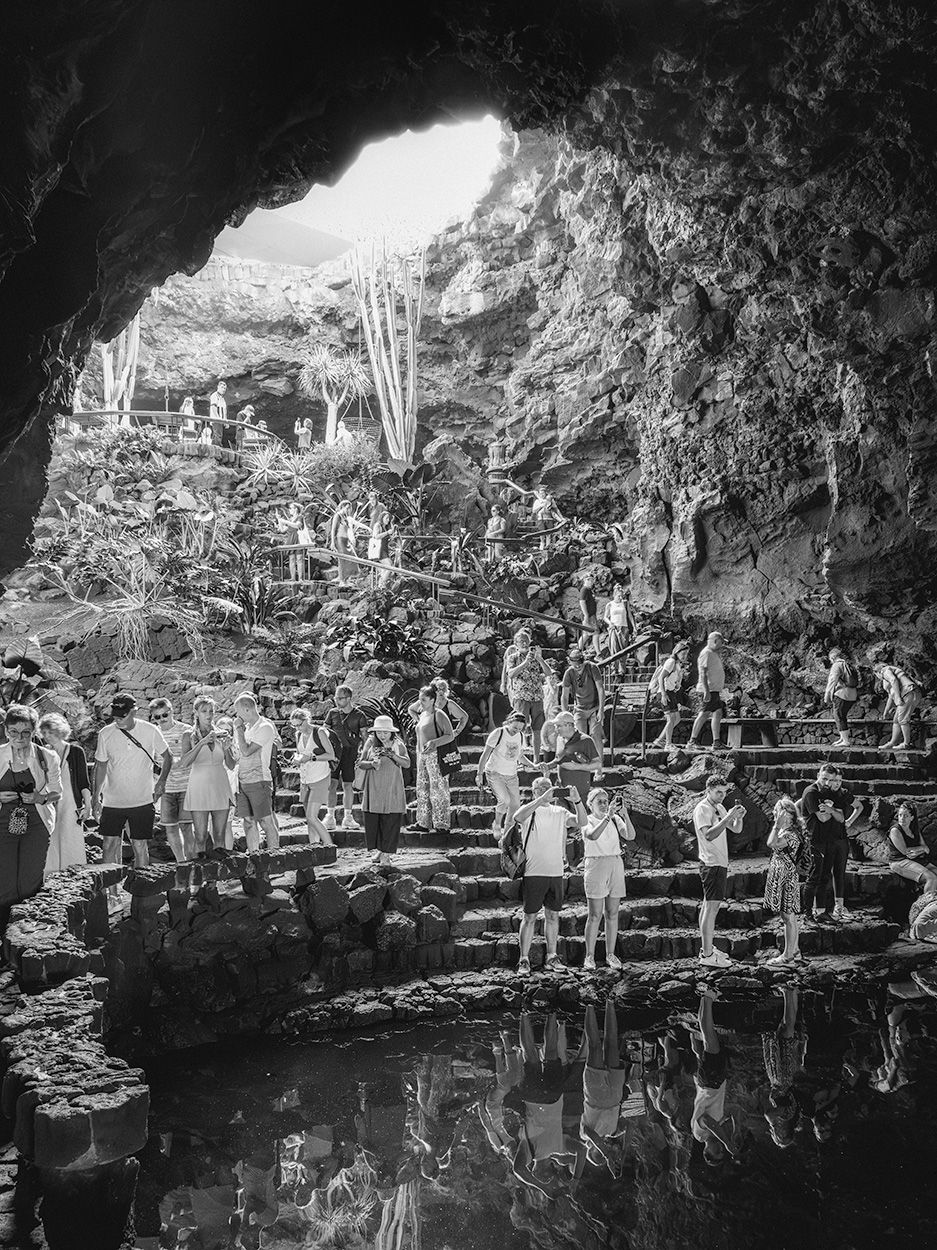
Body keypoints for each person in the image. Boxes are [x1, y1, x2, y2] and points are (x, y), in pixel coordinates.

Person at [94, 694, 171, 893]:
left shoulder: (150, 730)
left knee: (139, 846)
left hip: (142, 800)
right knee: (109, 844)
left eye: (122, 715)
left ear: (134, 711)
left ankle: (142, 892)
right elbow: (101, 766)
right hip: (112, 801)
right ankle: (111, 893)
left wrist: (161, 782)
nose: (117, 718)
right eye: (115, 714)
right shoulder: (105, 733)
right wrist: (96, 797)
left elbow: (167, 756)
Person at [512, 776, 585, 974]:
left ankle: (552, 957)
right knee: (530, 916)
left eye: (549, 787)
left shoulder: (560, 812)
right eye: (541, 788)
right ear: (534, 791)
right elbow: (516, 817)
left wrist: (577, 800)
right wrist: (541, 799)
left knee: (553, 915)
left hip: (556, 872)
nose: (546, 790)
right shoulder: (530, 810)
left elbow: (582, 821)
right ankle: (524, 959)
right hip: (534, 871)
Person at [0, 705, 61, 928]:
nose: (19, 737)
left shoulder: (47, 756)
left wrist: (38, 798)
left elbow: (57, 792)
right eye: (13, 731)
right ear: (6, 731)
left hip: (36, 824)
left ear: (33, 731)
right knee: (3, 881)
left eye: (25, 732)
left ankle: (26, 934)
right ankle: (3, 939)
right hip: (2, 824)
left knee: (30, 881)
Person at [800, 762, 863, 924]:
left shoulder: (827, 792)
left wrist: (831, 810)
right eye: (825, 778)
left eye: (832, 779)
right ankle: (807, 914)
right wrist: (833, 811)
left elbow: (840, 817)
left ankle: (821, 912)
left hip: (825, 840)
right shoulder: (811, 792)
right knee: (813, 877)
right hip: (813, 840)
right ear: (818, 776)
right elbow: (822, 818)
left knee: (824, 876)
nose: (828, 783)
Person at [693, 774, 745, 966]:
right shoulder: (703, 809)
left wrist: (737, 818)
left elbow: (736, 829)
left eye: (724, 792)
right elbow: (708, 834)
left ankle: (706, 948)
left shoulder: (720, 807)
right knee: (712, 907)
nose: (722, 796)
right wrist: (728, 817)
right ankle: (707, 955)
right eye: (718, 792)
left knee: (708, 906)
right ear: (708, 791)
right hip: (711, 863)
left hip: (719, 862)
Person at [582, 787, 636, 971]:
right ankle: (589, 956)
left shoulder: (614, 818)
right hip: (596, 864)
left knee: (612, 913)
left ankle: (610, 954)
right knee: (595, 914)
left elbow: (630, 835)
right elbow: (592, 835)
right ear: (591, 804)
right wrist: (608, 816)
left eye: (606, 801)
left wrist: (625, 814)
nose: (605, 804)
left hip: (615, 863)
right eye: (600, 801)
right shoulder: (587, 820)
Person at [180, 696, 236, 854]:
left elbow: (231, 765)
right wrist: (202, 742)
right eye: (204, 711)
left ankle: (215, 878)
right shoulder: (188, 735)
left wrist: (226, 749)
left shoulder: (222, 733)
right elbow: (184, 762)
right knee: (200, 836)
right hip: (199, 786)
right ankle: (199, 874)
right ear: (196, 712)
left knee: (219, 835)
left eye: (211, 711)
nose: (209, 714)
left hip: (220, 785)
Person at [688, 990, 738, 1166]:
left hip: (709, 1082)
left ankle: (708, 997)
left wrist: (727, 1142)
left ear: (706, 1151)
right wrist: (732, 1132)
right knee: (710, 1040)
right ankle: (705, 998)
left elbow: (707, 1120)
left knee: (709, 1038)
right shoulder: (715, 1131)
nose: (720, 1148)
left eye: (716, 1151)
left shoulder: (699, 1134)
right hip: (713, 1082)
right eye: (722, 1151)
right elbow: (731, 1113)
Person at [39, 712, 90, 875]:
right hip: (49, 803)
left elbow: (83, 782)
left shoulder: (75, 751)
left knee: (71, 840)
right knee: (49, 842)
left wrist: (87, 805)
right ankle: (49, 879)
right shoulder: (41, 752)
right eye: (44, 732)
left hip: (70, 803)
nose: (47, 736)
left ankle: (75, 878)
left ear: (60, 731)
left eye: (51, 732)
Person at [356, 714, 411, 863]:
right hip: (374, 786)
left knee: (391, 820)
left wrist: (392, 755)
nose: (382, 735)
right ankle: (380, 851)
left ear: (392, 732)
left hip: (392, 786)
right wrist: (372, 764)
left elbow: (407, 763)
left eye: (385, 732)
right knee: (375, 820)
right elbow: (361, 763)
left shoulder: (398, 744)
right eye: (379, 732)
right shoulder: (370, 743)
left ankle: (386, 853)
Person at [148, 697, 194, 863]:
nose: (162, 720)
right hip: (166, 787)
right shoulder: (152, 732)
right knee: (170, 828)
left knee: (187, 827)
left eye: (165, 715)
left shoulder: (186, 730)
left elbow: (191, 756)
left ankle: (192, 862)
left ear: (171, 711)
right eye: (157, 717)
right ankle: (181, 862)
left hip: (186, 784)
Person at [476, 710, 535, 837]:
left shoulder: (520, 736)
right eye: (514, 727)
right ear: (509, 722)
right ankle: (497, 824)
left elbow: (519, 756)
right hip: (494, 772)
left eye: (520, 729)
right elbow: (486, 753)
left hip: (511, 775)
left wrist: (533, 765)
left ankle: (508, 830)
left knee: (515, 805)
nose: (516, 730)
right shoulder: (499, 733)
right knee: (504, 800)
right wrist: (479, 774)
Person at [233, 692, 280, 852]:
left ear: (246, 710)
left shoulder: (264, 727)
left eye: (238, 712)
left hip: (259, 780)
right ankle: (254, 855)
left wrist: (238, 729)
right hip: (242, 782)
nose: (236, 716)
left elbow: (246, 751)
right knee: (248, 821)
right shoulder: (246, 728)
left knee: (265, 821)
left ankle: (275, 858)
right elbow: (239, 753)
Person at [764, 797, 806, 964]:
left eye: (778, 811)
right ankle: (794, 950)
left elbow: (771, 843)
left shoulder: (789, 834)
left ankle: (788, 955)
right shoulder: (786, 831)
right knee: (788, 916)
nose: (775, 814)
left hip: (786, 875)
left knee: (788, 916)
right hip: (781, 873)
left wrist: (776, 825)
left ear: (788, 815)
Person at [500, 629, 552, 764]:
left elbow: (548, 673)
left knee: (537, 728)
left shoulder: (536, 657)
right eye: (521, 641)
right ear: (516, 644)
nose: (524, 643)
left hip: (537, 697)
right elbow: (510, 674)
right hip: (521, 697)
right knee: (518, 728)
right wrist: (525, 663)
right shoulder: (513, 657)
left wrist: (540, 659)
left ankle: (536, 758)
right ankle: (518, 758)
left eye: (526, 641)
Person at [325, 685, 369, 832]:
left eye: (341, 698)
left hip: (351, 752)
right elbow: (324, 733)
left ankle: (348, 817)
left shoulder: (359, 715)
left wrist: (363, 755)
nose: (337, 701)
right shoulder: (332, 713)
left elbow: (365, 737)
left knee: (348, 785)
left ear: (349, 698)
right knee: (331, 784)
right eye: (336, 698)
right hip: (334, 753)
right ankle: (329, 816)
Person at [289, 707, 335, 847]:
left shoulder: (319, 732)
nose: (298, 728)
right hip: (305, 779)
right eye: (295, 725)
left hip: (320, 777)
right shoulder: (298, 735)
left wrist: (311, 757)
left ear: (306, 720)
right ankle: (314, 847)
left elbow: (331, 755)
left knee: (312, 816)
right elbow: (300, 752)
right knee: (309, 819)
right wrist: (296, 759)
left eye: (300, 724)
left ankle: (329, 846)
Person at [413, 685, 454, 835]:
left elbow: (450, 735)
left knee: (438, 789)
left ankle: (441, 823)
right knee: (422, 789)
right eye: (420, 699)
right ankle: (423, 822)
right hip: (422, 755)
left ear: (432, 700)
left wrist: (435, 742)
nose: (420, 702)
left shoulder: (440, 714)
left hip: (436, 755)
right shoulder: (423, 714)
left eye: (423, 699)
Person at [560, 647, 605, 779]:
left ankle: (598, 769)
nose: (578, 666)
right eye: (575, 664)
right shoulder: (569, 673)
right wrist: (565, 715)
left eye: (580, 663)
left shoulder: (592, 668)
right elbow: (564, 696)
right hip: (579, 708)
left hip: (594, 706)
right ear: (570, 662)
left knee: (595, 735)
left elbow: (600, 689)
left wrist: (601, 711)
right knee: (581, 739)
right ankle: (585, 768)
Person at [545, 709, 600, 803]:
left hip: (580, 792)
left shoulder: (586, 740)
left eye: (558, 726)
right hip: (561, 790)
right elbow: (558, 759)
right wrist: (547, 766)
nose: (556, 729)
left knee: (578, 817)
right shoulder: (559, 739)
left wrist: (577, 767)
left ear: (569, 725)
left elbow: (597, 764)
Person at [687, 631, 727, 751]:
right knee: (704, 714)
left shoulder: (713, 653)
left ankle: (716, 742)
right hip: (708, 689)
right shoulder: (706, 653)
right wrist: (706, 691)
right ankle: (692, 741)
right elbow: (703, 673)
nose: (722, 645)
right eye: (721, 642)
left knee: (718, 713)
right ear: (715, 641)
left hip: (714, 689)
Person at [886, 801, 937, 892]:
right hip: (899, 862)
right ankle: (926, 904)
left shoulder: (914, 829)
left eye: (905, 816)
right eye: (900, 815)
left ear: (912, 818)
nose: (902, 818)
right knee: (931, 878)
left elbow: (927, 849)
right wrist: (921, 849)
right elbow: (905, 852)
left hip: (915, 859)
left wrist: (920, 850)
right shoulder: (895, 830)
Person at [649, 640, 690, 749]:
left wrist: (677, 685)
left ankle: (660, 740)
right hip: (665, 692)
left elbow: (672, 679)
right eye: (683, 654)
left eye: (686, 654)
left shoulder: (677, 664)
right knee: (671, 719)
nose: (685, 656)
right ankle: (668, 744)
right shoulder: (671, 662)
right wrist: (663, 694)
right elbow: (661, 677)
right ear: (677, 652)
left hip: (671, 692)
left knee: (677, 718)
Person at [874, 660, 922, 751]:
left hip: (908, 693)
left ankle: (906, 743)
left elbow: (893, 680)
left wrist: (898, 697)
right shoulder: (891, 674)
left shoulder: (884, 670)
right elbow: (891, 697)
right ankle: (892, 742)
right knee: (896, 720)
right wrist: (885, 713)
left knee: (902, 720)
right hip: (912, 693)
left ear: (877, 672)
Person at [824, 647, 859, 747]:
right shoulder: (847, 664)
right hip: (852, 694)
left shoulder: (837, 665)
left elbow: (832, 680)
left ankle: (845, 741)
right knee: (841, 715)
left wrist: (827, 694)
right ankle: (843, 738)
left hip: (842, 693)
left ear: (833, 657)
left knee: (838, 715)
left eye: (830, 659)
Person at [602, 584, 635, 667]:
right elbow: (605, 617)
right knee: (614, 648)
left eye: (622, 596)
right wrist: (610, 623)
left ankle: (622, 670)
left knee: (623, 649)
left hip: (624, 627)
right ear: (614, 595)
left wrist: (634, 627)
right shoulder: (610, 604)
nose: (620, 598)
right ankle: (615, 668)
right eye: (619, 596)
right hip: (614, 627)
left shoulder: (625, 603)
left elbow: (630, 615)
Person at [366, 489, 394, 583]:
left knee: (387, 567)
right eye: (370, 500)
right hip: (378, 544)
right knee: (389, 566)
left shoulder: (381, 506)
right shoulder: (371, 508)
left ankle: (381, 584)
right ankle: (381, 585)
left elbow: (386, 515)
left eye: (373, 500)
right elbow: (376, 536)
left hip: (384, 546)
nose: (372, 502)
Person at [329, 499, 357, 583]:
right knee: (342, 559)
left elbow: (349, 529)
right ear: (343, 507)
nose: (348, 510)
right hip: (339, 539)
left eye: (350, 508)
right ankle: (342, 580)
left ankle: (346, 578)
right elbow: (333, 529)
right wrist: (332, 542)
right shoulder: (337, 515)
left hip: (346, 540)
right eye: (347, 508)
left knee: (351, 558)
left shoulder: (345, 517)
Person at [276, 503, 306, 581]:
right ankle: (293, 577)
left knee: (299, 559)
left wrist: (285, 521)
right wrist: (279, 520)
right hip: (290, 539)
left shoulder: (300, 517)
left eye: (291, 508)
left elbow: (297, 525)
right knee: (291, 559)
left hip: (298, 538)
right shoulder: (290, 520)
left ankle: (300, 578)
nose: (289, 510)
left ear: (295, 509)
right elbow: (282, 530)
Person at [578, 578, 598, 654]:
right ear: (586, 580)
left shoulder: (589, 590)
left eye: (592, 581)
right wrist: (586, 615)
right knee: (595, 632)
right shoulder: (584, 589)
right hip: (589, 615)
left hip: (591, 614)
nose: (592, 583)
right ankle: (598, 653)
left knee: (586, 634)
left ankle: (578, 650)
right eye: (590, 581)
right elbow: (582, 602)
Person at [208, 379, 227, 444]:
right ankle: (217, 448)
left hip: (221, 420)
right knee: (217, 435)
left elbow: (224, 410)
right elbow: (213, 407)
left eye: (225, 388)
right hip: (216, 419)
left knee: (218, 435)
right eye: (222, 387)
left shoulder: (222, 398)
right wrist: (217, 418)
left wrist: (225, 421)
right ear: (218, 387)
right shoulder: (214, 395)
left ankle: (214, 449)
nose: (223, 389)